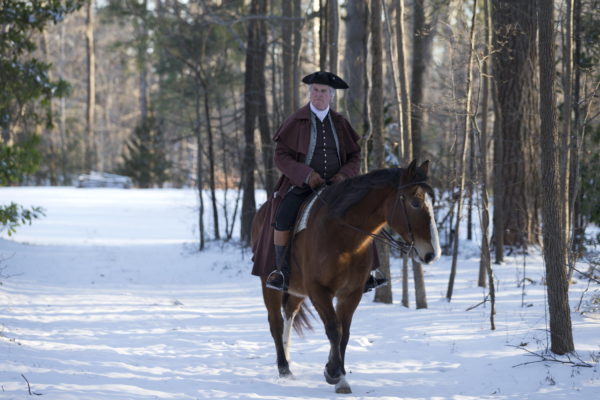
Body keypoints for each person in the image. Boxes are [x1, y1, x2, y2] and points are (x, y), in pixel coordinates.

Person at [261, 71, 386, 292]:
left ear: (331, 96)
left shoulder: (340, 122)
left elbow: (355, 156)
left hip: (338, 188)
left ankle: (368, 272)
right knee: (283, 216)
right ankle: (282, 271)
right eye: (315, 90)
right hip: (302, 186)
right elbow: (280, 156)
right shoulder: (296, 121)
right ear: (310, 93)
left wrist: (344, 176)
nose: (319, 95)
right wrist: (307, 175)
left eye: (324, 92)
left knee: (364, 216)